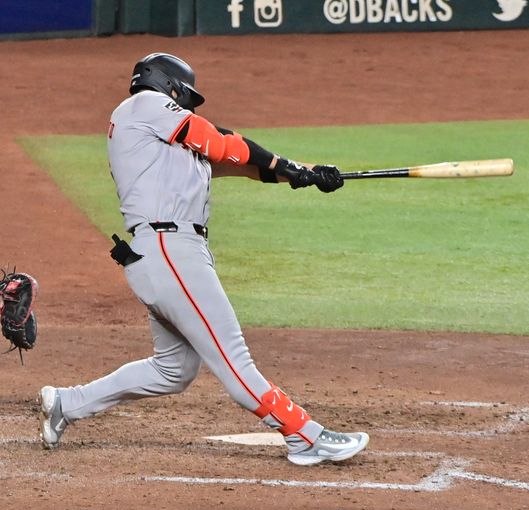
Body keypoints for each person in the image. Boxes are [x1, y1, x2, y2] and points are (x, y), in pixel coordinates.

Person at [38, 52, 369, 466]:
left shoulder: (165, 144)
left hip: (164, 254)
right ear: (170, 88)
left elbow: (240, 164)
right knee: (233, 355)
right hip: (169, 250)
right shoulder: (143, 106)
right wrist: (286, 165)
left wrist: (307, 174)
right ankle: (305, 436)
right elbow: (223, 142)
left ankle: (66, 404)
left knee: (173, 369)